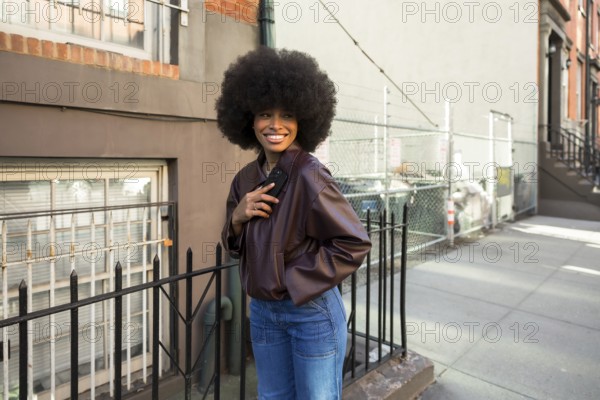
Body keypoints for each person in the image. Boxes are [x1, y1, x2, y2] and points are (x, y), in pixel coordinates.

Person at [217, 46, 371, 399]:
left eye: (287, 114)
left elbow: (353, 243)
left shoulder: (310, 176)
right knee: (271, 397)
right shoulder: (244, 179)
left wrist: (291, 280)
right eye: (265, 114)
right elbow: (233, 244)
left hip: (310, 312)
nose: (275, 125)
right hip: (263, 313)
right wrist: (237, 218)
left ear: (303, 120)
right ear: (248, 120)